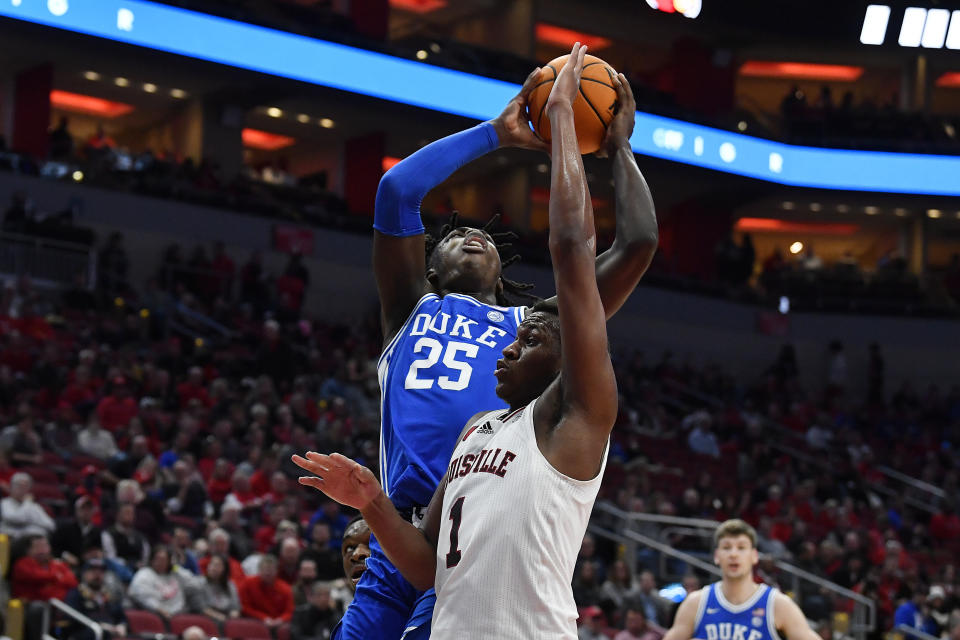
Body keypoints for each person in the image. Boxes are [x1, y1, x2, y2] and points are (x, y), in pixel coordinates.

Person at [328, 40, 657, 640]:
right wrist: (496, 134)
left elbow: (622, 249)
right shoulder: (412, 308)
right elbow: (398, 192)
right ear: (430, 267)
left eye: (483, 236)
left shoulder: (537, 328)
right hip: (404, 530)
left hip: (473, 533)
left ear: (503, 275)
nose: (473, 237)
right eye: (455, 237)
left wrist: (614, 148)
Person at [661, 520, 819, 640]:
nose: (733, 554)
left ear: (754, 556)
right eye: (727, 547)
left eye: (741, 547)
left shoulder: (777, 604)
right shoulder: (696, 603)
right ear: (716, 556)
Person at [63, 558, 127, 640]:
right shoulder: (76, 594)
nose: (97, 574)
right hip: (86, 633)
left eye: (101, 571)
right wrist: (99, 625)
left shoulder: (109, 594)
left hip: (111, 632)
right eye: (93, 571)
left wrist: (122, 625)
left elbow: (121, 616)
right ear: (84, 573)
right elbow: (72, 619)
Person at [128, 546, 190, 620]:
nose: (160, 562)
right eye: (157, 559)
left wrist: (175, 567)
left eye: (164, 559)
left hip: (177, 615)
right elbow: (141, 596)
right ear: (151, 559)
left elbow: (192, 581)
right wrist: (159, 610)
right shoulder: (144, 574)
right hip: (154, 616)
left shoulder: (175, 574)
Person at [238, 554, 294, 628]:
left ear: (276, 571)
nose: (267, 573)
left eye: (270, 570)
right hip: (253, 623)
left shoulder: (285, 588)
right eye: (265, 569)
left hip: (279, 625)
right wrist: (263, 618)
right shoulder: (247, 583)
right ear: (259, 570)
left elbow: (290, 611)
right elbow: (243, 607)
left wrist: (280, 620)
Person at [0, 472, 55, 538]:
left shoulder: (33, 506)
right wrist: (27, 503)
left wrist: (31, 524)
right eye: (19, 486)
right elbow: (14, 518)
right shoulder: (4, 503)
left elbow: (50, 525)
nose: (22, 490)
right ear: (11, 487)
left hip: (29, 542)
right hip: (9, 540)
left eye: (25, 487)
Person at [195, 554, 241, 622]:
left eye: (217, 565)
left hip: (226, 619)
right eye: (211, 564)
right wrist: (219, 617)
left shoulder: (230, 585)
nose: (212, 567)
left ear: (225, 569)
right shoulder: (199, 582)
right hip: (206, 619)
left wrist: (234, 614)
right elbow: (201, 607)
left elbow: (235, 607)